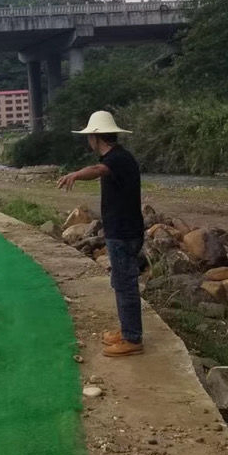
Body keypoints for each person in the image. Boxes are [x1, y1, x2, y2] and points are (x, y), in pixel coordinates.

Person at [56, 110, 145, 357]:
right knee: (120, 282)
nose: (89, 141)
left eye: (90, 136)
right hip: (123, 230)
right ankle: (128, 330)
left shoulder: (116, 159)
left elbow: (97, 169)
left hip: (124, 233)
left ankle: (132, 338)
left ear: (96, 137)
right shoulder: (120, 157)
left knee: (125, 284)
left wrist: (75, 174)